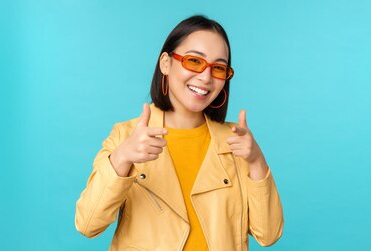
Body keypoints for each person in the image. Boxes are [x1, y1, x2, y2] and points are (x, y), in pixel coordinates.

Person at [74, 15, 284, 251]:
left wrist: (256, 160)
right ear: (165, 63)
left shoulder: (236, 143)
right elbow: (88, 224)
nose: (206, 77)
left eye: (218, 68)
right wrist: (123, 157)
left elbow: (269, 234)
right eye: (194, 61)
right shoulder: (126, 136)